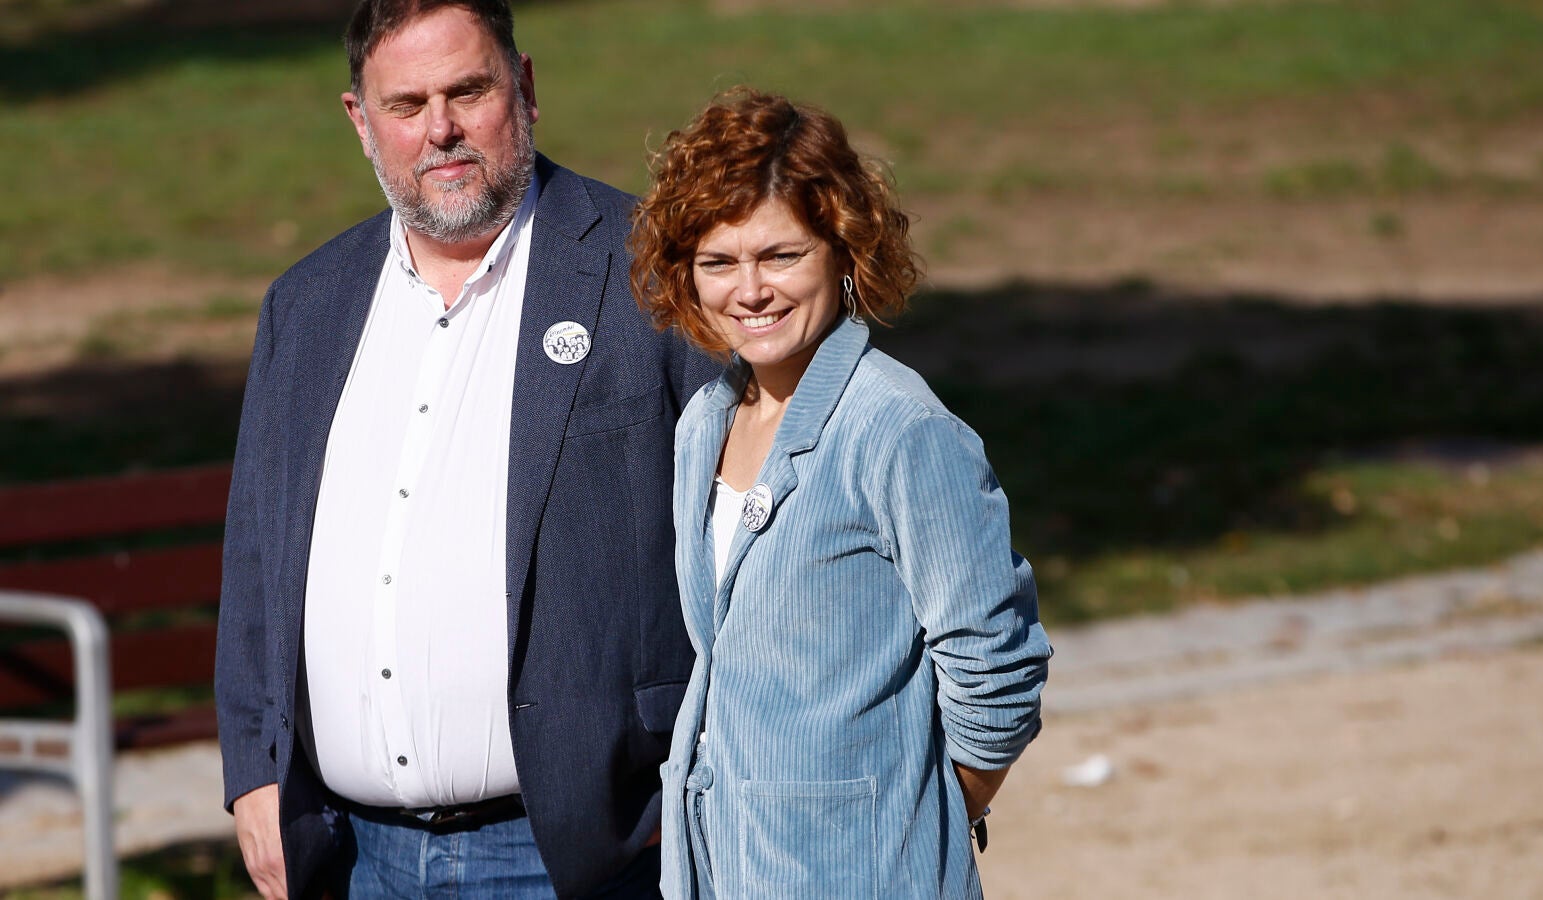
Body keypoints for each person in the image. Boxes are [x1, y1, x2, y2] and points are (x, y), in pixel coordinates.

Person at [213, 1, 718, 897]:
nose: (439, 129)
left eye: (468, 91)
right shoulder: (306, 304)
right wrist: (255, 769)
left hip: (584, 851)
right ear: (360, 121)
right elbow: (258, 552)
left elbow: (750, 536)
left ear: (523, 86)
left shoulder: (652, 272)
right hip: (350, 856)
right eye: (406, 105)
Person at [629, 88, 1053, 898]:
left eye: (780, 255)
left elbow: (997, 667)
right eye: (719, 263)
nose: (750, 290)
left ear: (843, 251)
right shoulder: (703, 424)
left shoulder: (898, 429)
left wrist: (921, 817)